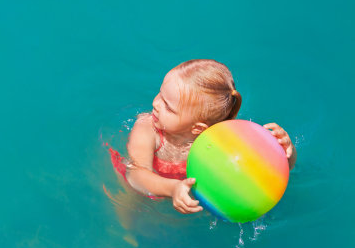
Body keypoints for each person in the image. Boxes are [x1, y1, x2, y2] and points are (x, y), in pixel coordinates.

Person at [111, 59, 297, 215]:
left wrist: (285, 154)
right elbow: (135, 174)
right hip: (136, 194)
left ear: (197, 129)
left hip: (185, 197)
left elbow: (265, 176)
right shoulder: (147, 128)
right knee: (126, 213)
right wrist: (172, 188)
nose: (156, 103)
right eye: (160, 93)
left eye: (168, 107)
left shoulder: (225, 140)